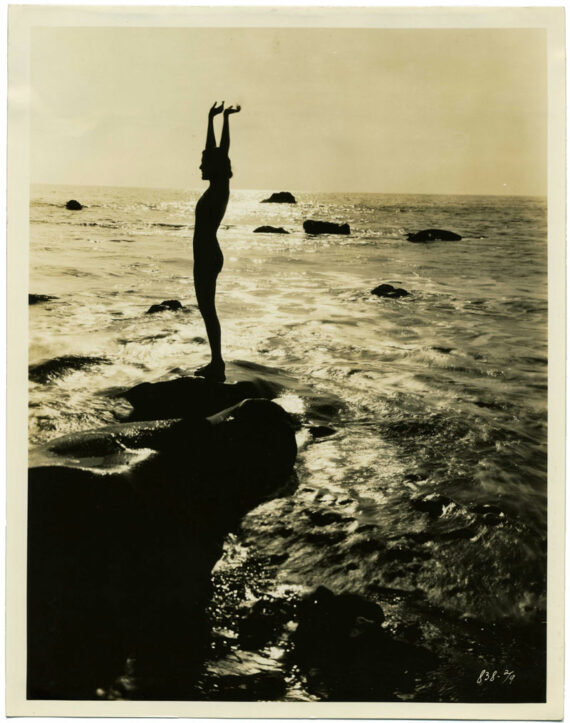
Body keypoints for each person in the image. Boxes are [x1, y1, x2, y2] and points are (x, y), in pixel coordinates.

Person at [193, 100, 240, 382]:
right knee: (206, 310)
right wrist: (211, 119)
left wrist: (226, 122)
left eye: (203, 163)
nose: (199, 165)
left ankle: (217, 364)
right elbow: (215, 152)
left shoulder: (221, 187)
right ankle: (215, 362)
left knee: (208, 310)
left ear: (213, 168)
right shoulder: (216, 186)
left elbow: (222, 151)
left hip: (208, 255)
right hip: (207, 254)